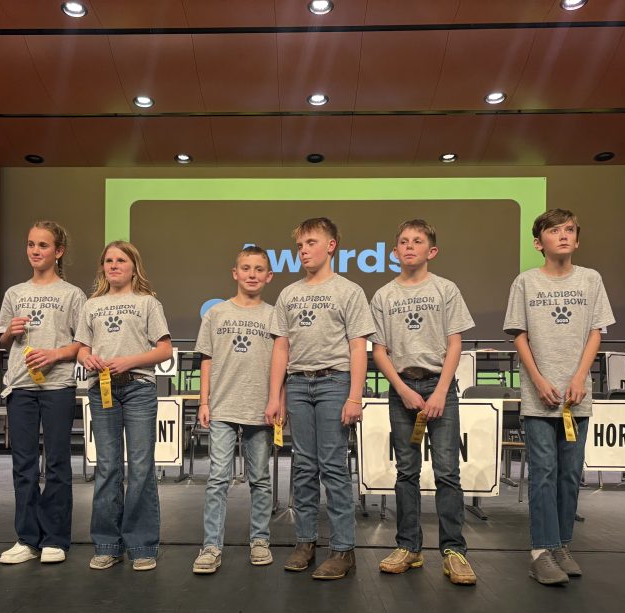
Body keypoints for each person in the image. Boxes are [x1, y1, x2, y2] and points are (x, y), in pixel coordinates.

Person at [503, 208, 615, 585]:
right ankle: (541, 551)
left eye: (569, 230)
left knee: (569, 474)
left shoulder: (590, 279)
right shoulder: (525, 282)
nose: (563, 235)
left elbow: (596, 332)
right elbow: (519, 335)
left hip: (576, 395)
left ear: (577, 240)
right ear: (539, 243)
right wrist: (537, 380)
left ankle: (562, 544)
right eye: (554, 231)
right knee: (543, 473)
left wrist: (580, 378)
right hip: (540, 397)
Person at [265, 217, 374, 580]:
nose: (303, 250)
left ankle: (343, 549)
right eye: (299, 245)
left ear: (331, 245)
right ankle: (305, 542)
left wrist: (354, 396)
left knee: (333, 466)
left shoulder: (349, 291)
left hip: (334, 382)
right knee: (303, 467)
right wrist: (275, 396)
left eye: (311, 243)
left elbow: (358, 346)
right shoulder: (288, 294)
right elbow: (281, 347)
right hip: (298, 384)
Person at [370, 219, 477, 585]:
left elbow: (455, 344)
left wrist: (441, 391)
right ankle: (408, 547)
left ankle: (454, 551)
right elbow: (379, 350)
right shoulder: (383, 295)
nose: (409, 246)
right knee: (406, 472)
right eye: (403, 241)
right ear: (395, 251)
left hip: (439, 386)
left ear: (431, 251)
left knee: (447, 472)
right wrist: (402, 389)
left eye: (417, 241)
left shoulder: (445, 289)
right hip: (403, 388)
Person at [76, 241, 171, 572]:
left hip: (138, 388)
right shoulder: (91, 305)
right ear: (103, 267)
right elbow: (82, 348)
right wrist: (86, 357)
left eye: (120, 260)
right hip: (101, 390)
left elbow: (164, 350)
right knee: (107, 467)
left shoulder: (147, 302)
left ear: (134, 267)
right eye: (108, 261)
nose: (114, 265)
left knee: (141, 468)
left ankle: (142, 546)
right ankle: (106, 545)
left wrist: (129, 361)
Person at [0, 222, 86, 566]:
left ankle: (55, 539)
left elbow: (82, 343)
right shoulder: (14, 293)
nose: (35, 251)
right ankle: (26, 538)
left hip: (57, 385)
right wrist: (10, 332)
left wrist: (55, 354)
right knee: (24, 465)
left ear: (58, 251)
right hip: (20, 385)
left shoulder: (73, 294)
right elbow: (4, 339)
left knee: (58, 462)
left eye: (43, 245)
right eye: (31, 244)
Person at [192, 246, 275, 574]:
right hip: (223, 406)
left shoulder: (274, 315)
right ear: (235, 273)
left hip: (259, 407)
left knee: (261, 479)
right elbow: (207, 360)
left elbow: (281, 363)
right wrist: (204, 401)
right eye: (246, 268)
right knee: (217, 479)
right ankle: (211, 546)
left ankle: (260, 540)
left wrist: (278, 400)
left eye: (259, 269)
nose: (252, 274)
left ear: (268, 276)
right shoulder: (216, 313)